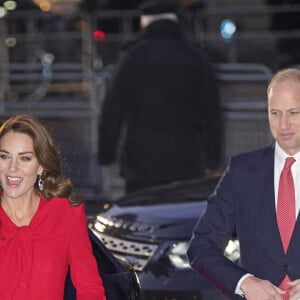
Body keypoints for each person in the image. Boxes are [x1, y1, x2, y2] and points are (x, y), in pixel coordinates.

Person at [187, 68, 300, 300]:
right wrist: (244, 282)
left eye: (294, 112)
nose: (283, 124)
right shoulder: (242, 171)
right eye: (275, 113)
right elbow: (201, 246)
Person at [98, 0, 222, 194]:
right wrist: (212, 158)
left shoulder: (133, 57)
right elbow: (212, 112)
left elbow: (114, 108)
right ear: (176, 21)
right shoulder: (197, 57)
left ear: (143, 23)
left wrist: (107, 154)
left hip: (141, 162)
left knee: (142, 219)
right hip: (187, 162)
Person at [0, 114, 106, 300]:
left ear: (41, 166)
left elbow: (90, 289)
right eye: (4, 156)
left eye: (25, 158)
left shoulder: (66, 214)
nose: (12, 168)